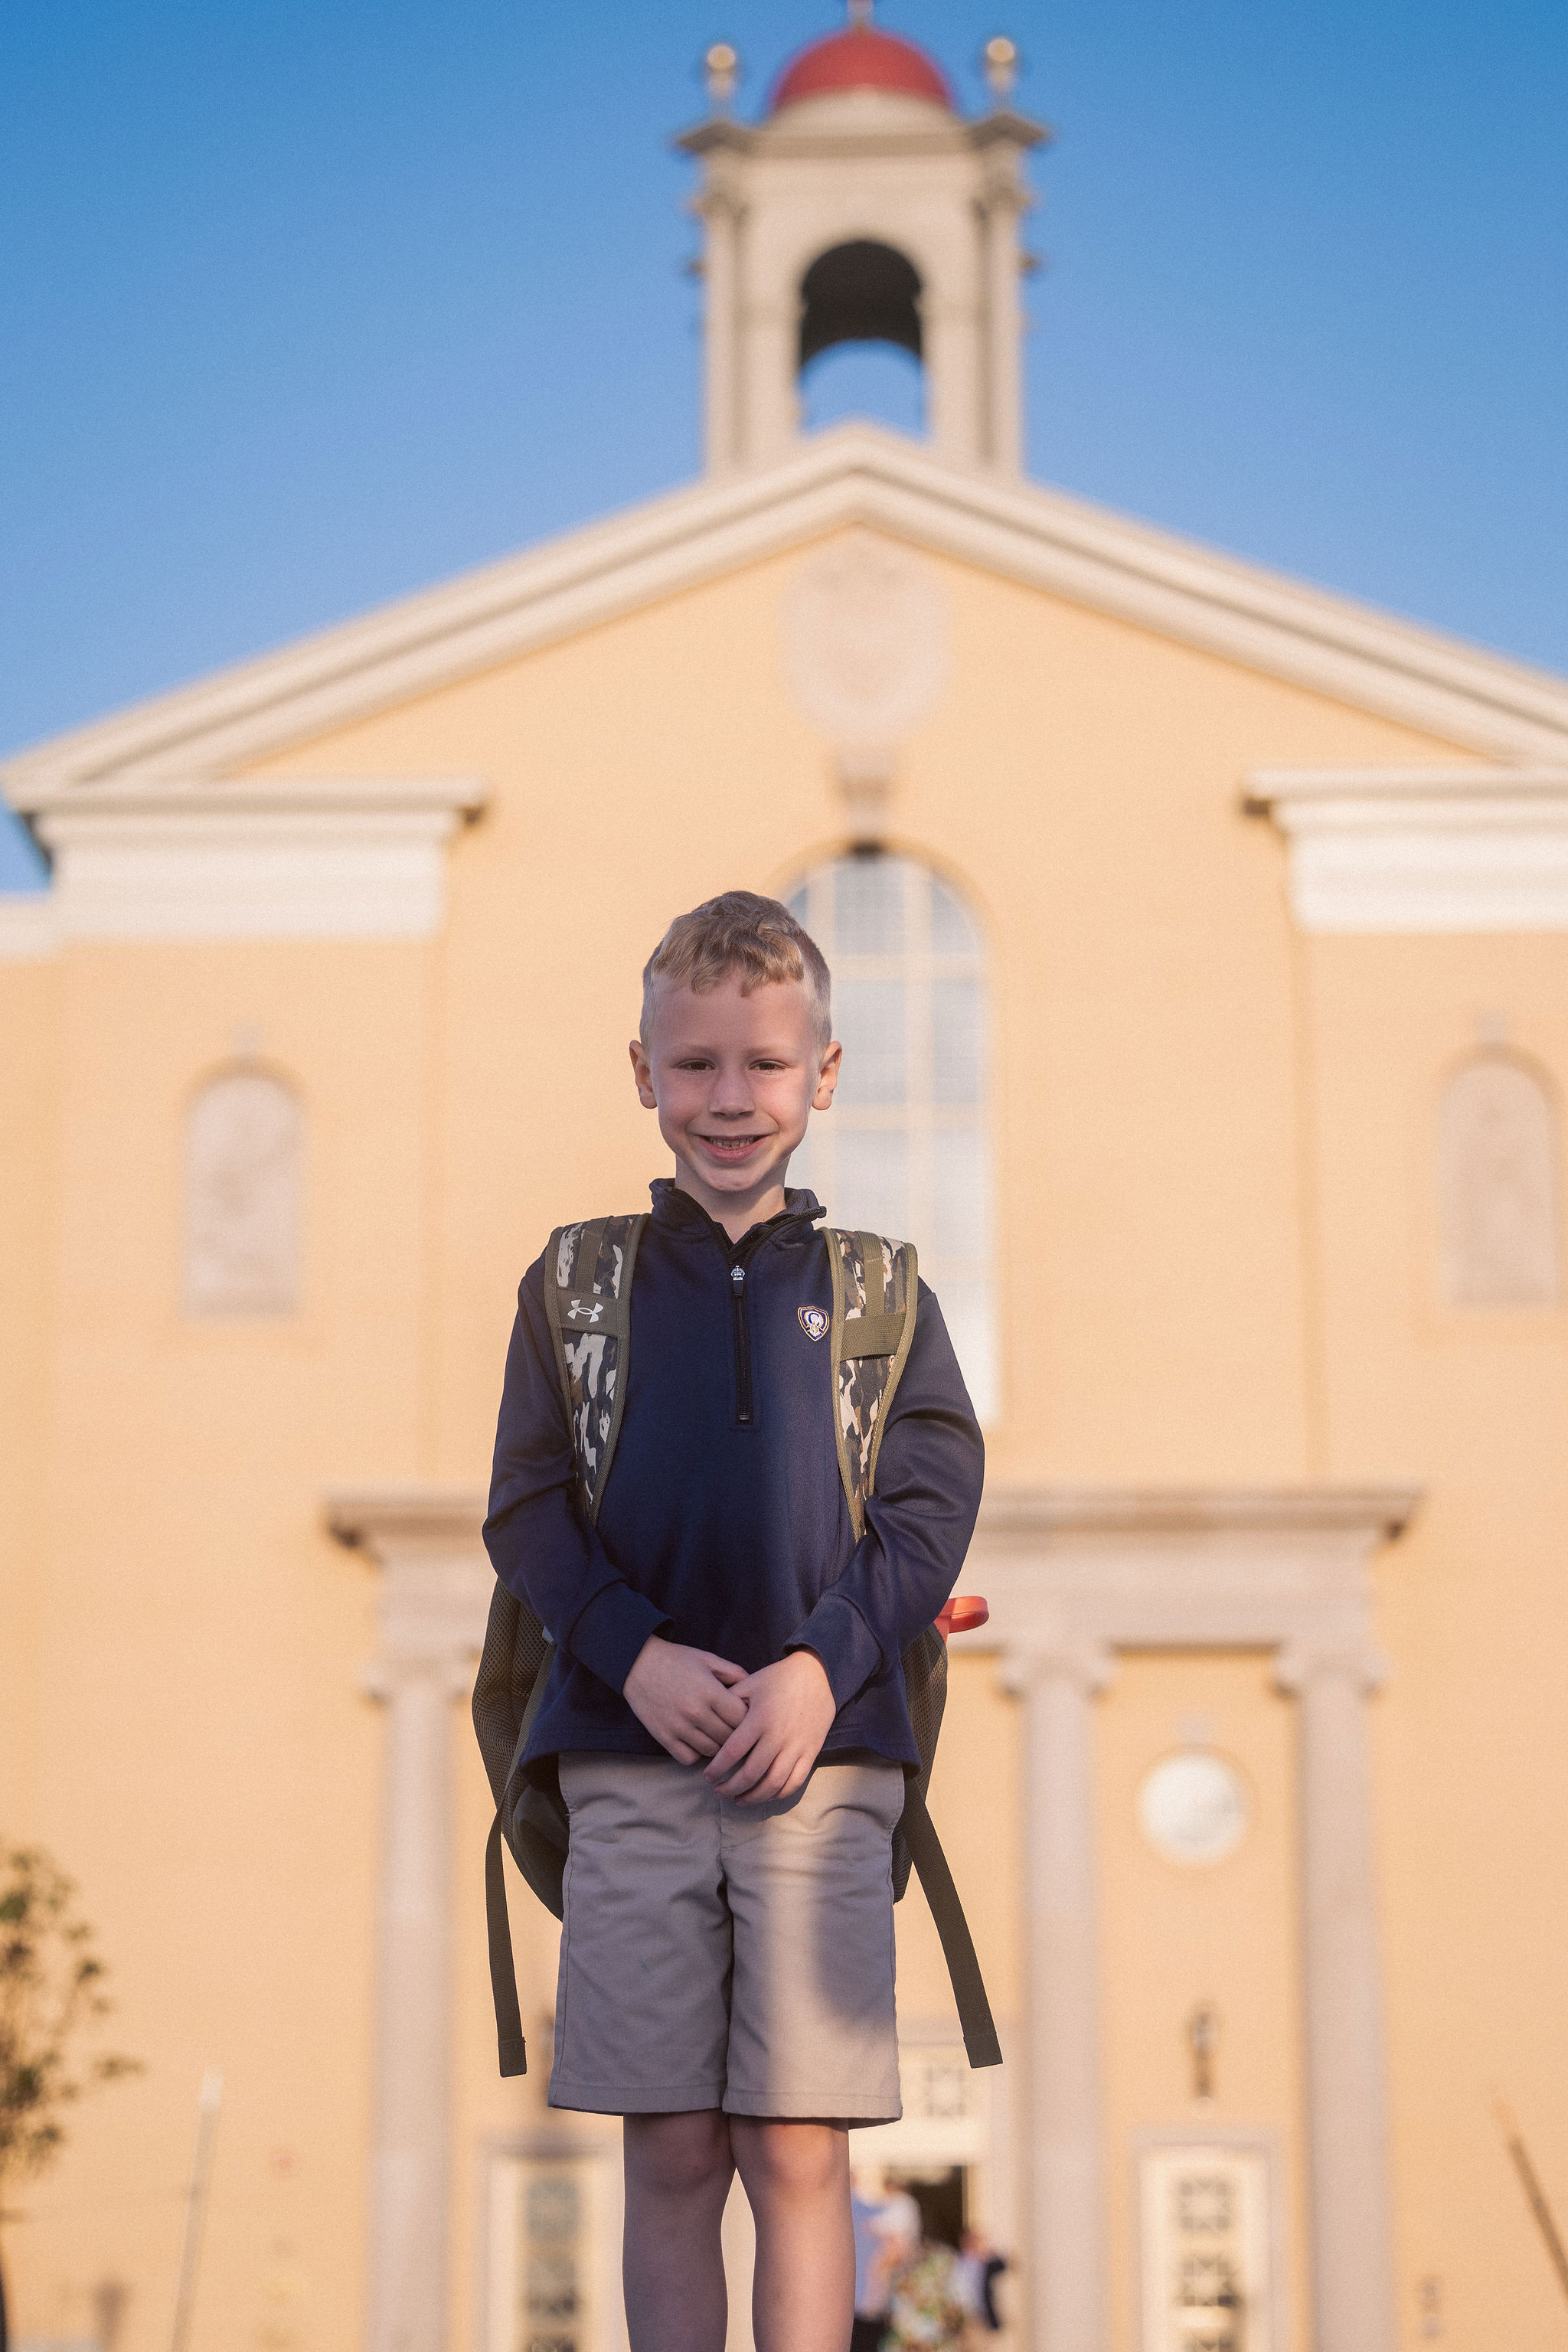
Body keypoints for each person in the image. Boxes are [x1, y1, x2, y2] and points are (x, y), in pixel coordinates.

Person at [483, 892, 985, 2352]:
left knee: (799, 2144)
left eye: (763, 1065)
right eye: (692, 1064)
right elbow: (524, 1511)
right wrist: (630, 1654)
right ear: (640, 1071)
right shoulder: (573, 1284)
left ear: (821, 1075)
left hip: (821, 1773)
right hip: (630, 1772)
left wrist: (823, 1674)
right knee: (674, 2145)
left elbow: (926, 1506)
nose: (727, 1098)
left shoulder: (881, 1292)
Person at [882, 2200, 969, 2352]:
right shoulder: (902, 2264)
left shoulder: (944, 2261)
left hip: (935, 2340)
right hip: (911, 2341)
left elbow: (961, 2302)